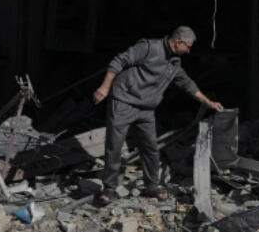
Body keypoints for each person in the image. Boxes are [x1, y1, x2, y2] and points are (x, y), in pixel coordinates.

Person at [92, 25, 223, 205]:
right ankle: (109, 188)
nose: (189, 50)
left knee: (150, 147)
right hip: (124, 101)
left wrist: (208, 102)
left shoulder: (175, 62)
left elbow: (187, 83)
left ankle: (152, 185)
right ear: (178, 42)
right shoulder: (149, 48)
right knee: (114, 145)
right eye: (188, 46)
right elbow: (118, 60)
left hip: (146, 108)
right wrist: (105, 87)